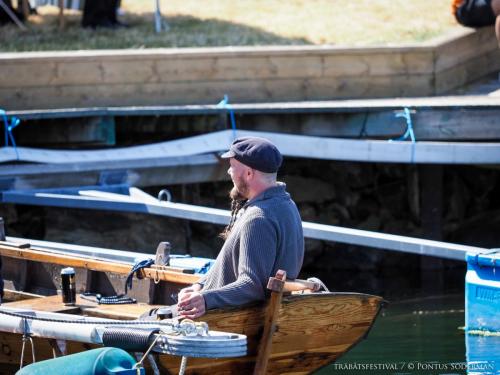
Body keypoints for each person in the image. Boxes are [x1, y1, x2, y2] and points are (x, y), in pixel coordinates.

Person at [176, 137, 304, 319]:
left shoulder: (259, 218)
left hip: (219, 322)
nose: (229, 171)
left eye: (232, 166)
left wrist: (205, 299)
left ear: (249, 174)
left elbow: (252, 286)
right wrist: (199, 286)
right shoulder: (286, 205)